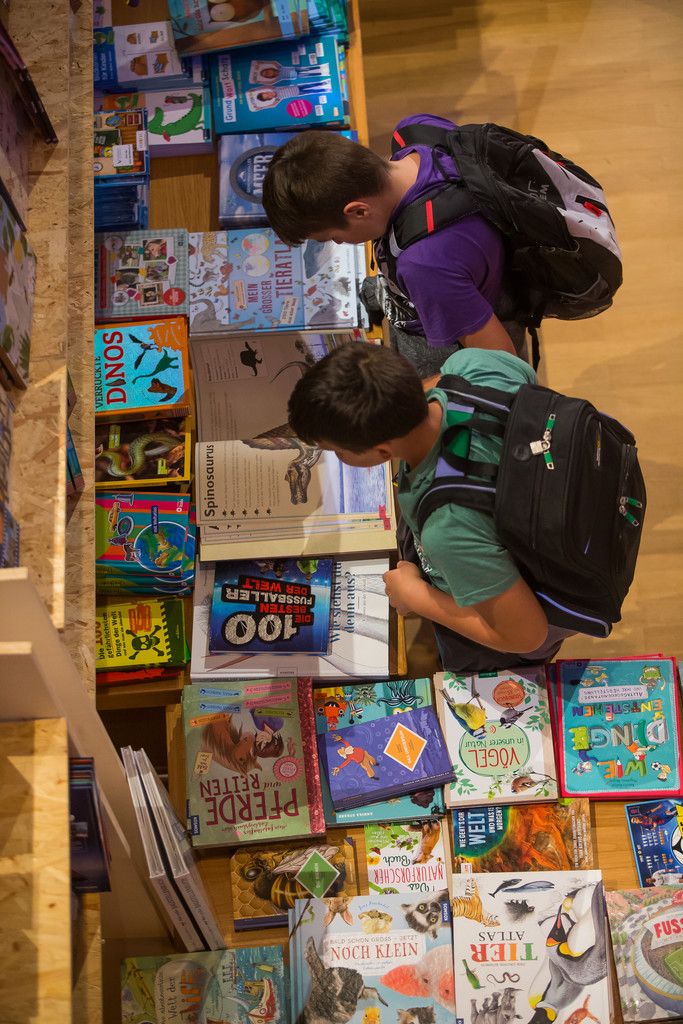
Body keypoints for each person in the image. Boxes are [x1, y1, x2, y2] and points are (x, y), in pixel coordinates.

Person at [287, 342, 574, 673]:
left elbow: (526, 635)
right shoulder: (474, 366)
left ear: (382, 452)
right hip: (550, 515)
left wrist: (417, 596)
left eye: (337, 451)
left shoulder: (448, 529)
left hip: (516, 614)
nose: (338, 458)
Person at [262, 115, 523, 375]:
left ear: (359, 211)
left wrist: (425, 390)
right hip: (459, 285)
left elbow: (502, 364)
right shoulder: (415, 130)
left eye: (332, 237)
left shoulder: (422, 266)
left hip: (451, 326)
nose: (339, 242)